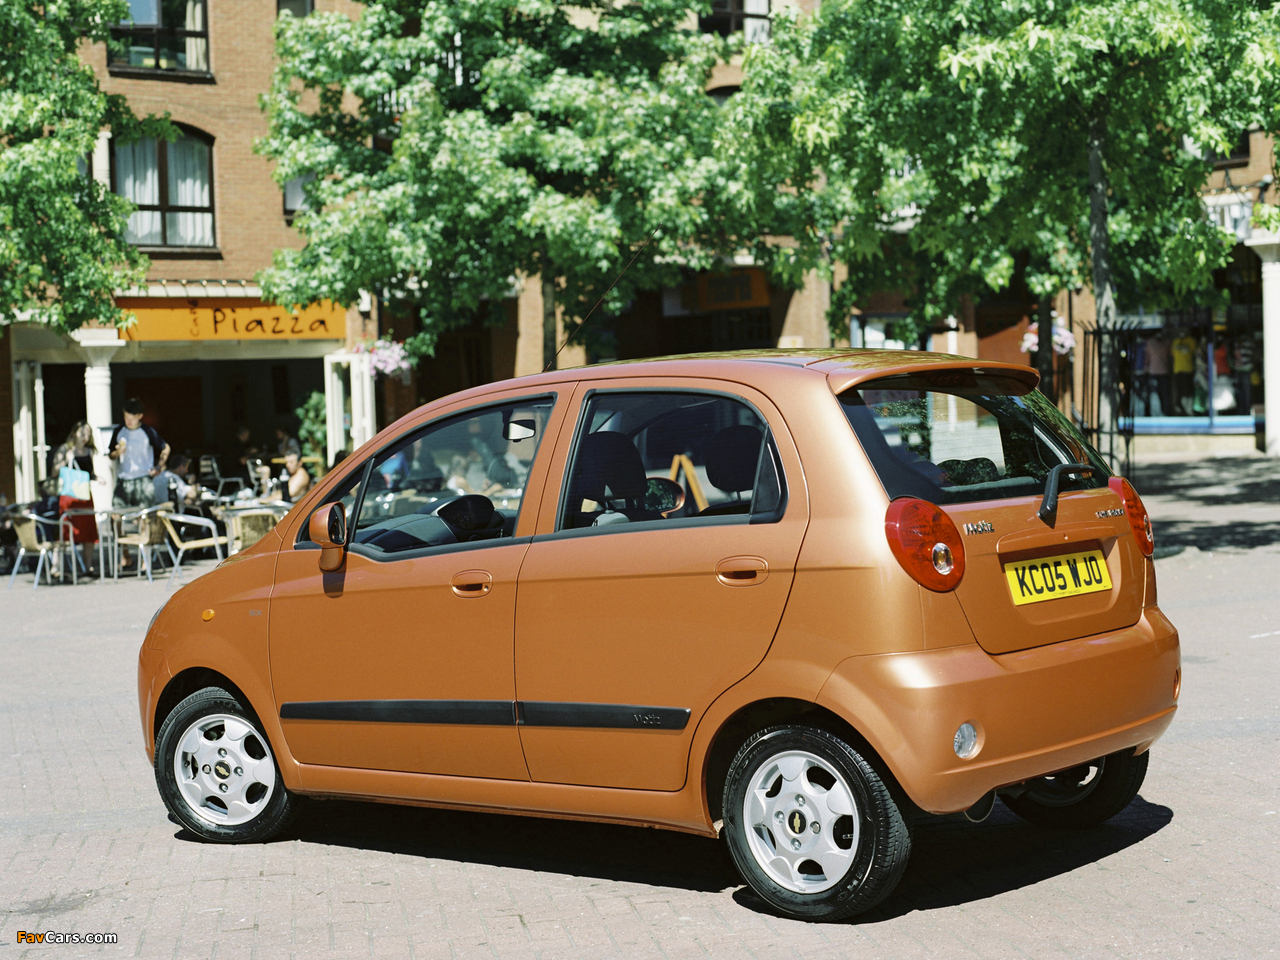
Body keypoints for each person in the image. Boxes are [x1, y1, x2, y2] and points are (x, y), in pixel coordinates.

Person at [108, 399, 169, 568]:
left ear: (140, 416)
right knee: (116, 517)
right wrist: (117, 452)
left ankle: (145, 558)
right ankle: (125, 555)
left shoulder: (147, 431)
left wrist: (159, 466)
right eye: (126, 416)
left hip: (143, 478)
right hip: (124, 479)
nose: (129, 421)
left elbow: (165, 447)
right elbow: (110, 455)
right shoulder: (120, 431)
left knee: (146, 518)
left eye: (132, 417)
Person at [52, 421, 99, 574]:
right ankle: (56, 566)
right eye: (82, 433)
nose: (85, 437)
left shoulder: (89, 451)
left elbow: (88, 473)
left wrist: (97, 478)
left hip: (85, 496)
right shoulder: (65, 449)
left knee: (88, 531)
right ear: (74, 433)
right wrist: (65, 459)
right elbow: (54, 472)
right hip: (69, 496)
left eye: (88, 434)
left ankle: (87, 566)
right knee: (65, 531)